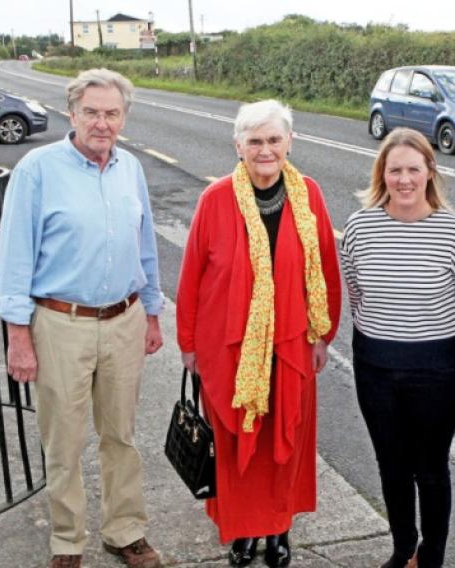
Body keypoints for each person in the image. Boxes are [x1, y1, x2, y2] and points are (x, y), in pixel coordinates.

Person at [0, 68, 165, 568]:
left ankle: (125, 531)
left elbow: (145, 245)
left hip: (124, 321)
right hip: (58, 324)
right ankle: (67, 541)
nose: (101, 123)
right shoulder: (37, 168)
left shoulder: (130, 167)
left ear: (124, 117)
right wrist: (17, 335)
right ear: (72, 113)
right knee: (64, 441)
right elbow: (14, 257)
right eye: (91, 112)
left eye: (112, 113)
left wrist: (152, 312)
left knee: (121, 437)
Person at [176, 99, 341, 567]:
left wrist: (321, 336)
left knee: (283, 442)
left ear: (290, 141)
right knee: (234, 444)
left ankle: (279, 527)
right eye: (255, 141)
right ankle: (243, 530)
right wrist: (188, 343)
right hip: (227, 348)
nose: (265, 150)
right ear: (238, 146)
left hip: (291, 343)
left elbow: (326, 268)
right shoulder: (216, 198)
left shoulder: (309, 193)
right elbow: (191, 278)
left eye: (273, 139)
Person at [340, 128, 455, 568]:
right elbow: (358, 294)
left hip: (434, 370)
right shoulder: (360, 228)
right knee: (391, 465)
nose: (404, 179)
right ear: (382, 172)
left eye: (413, 169)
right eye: (394, 169)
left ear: (430, 172)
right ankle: (403, 549)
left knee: (431, 470)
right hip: (375, 365)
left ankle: (431, 556)